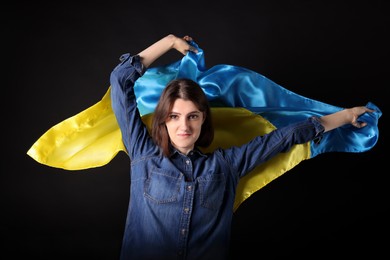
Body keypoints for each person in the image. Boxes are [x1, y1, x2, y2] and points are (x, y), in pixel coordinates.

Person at [109, 34, 374, 260]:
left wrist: (346, 115)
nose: (184, 126)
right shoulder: (144, 154)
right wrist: (168, 41)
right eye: (174, 116)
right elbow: (121, 80)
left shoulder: (226, 165)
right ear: (164, 120)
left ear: (203, 119)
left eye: (193, 116)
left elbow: (287, 137)